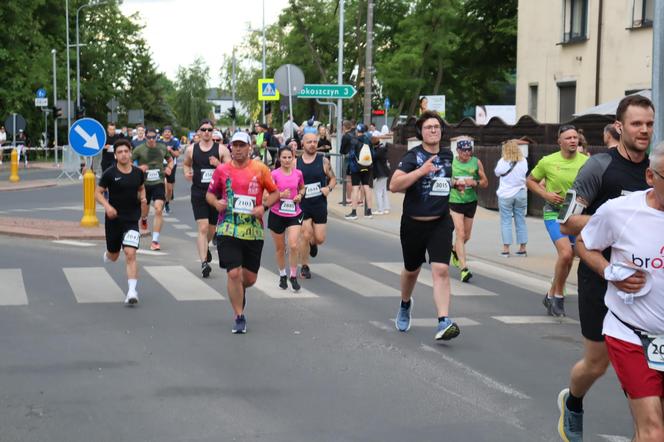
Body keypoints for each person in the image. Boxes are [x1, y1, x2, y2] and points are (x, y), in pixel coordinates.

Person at [556, 94, 654, 442]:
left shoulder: (656, 169)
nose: (644, 130)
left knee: (646, 370)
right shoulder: (599, 166)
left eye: (649, 124)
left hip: (646, 282)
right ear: (619, 126)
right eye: (636, 124)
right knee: (597, 363)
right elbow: (565, 223)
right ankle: (574, 400)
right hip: (600, 275)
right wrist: (614, 218)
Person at [574, 143, 664, 442]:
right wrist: (608, 271)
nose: (644, 129)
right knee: (652, 430)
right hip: (632, 333)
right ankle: (573, 400)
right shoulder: (619, 210)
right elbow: (583, 242)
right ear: (651, 177)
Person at [389, 110, 465, 341]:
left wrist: (456, 183)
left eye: (436, 127)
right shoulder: (413, 157)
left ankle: (443, 321)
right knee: (411, 270)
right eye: (428, 127)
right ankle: (404, 304)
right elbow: (394, 185)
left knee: (441, 269)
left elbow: (442, 180)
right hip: (413, 223)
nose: (433, 130)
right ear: (421, 133)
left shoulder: (448, 156)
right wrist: (421, 171)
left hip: (440, 222)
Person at [206, 131, 280, 334]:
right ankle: (239, 316)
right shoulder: (222, 170)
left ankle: (239, 290)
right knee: (234, 273)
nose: (238, 149)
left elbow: (275, 193)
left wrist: (263, 207)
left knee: (249, 279)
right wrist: (216, 203)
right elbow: (210, 194)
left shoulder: (260, 169)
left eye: (242, 145)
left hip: (253, 230)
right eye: (235, 145)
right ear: (230, 148)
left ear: (249, 147)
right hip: (228, 227)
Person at [526, 125, 588, 317]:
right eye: (568, 138)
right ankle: (559, 296)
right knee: (566, 254)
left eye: (575, 138)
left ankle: (551, 293)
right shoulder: (548, 161)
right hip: (554, 214)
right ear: (559, 142)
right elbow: (530, 181)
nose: (572, 141)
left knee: (568, 260)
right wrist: (547, 195)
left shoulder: (587, 162)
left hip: (577, 216)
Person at [95, 139, 146, 305]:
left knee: (130, 254)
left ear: (130, 152)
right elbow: (98, 193)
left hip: (132, 219)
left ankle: (132, 291)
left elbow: (141, 187)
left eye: (126, 151)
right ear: (116, 156)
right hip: (114, 219)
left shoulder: (138, 173)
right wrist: (108, 207)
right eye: (120, 152)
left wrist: (143, 198)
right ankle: (108, 254)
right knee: (114, 255)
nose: (123, 154)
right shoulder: (110, 173)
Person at [183, 119, 231, 278]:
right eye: (203, 129)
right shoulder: (191, 150)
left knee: (211, 229)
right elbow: (186, 164)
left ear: (213, 131)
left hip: (216, 195)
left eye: (209, 130)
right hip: (198, 192)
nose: (206, 132)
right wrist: (187, 172)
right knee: (202, 228)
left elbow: (231, 172)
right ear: (198, 132)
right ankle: (204, 263)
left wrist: (218, 164)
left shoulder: (222, 149)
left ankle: (206, 248)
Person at [297, 132, 336, 280]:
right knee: (305, 234)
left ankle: (314, 243)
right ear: (303, 144)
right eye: (309, 142)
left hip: (319, 203)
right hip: (303, 204)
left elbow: (332, 179)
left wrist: (329, 188)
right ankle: (305, 267)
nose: (312, 144)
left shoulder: (323, 161)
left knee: (319, 238)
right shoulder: (296, 163)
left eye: (315, 142)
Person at [449, 138, 488, 282]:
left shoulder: (476, 162)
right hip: (455, 201)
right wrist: (455, 183)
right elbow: (445, 180)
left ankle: (454, 250)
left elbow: (485, 182)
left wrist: (475, 182)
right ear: (458, 151)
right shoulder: (452, 162)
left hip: (470, 201)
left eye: (469, 150)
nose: (467, 153)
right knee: (460, 233)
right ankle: (464, 269)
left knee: (467, 236)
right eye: (464, 150)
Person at [269, 147, 305, 292]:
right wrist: (280, 195)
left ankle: (293, 276)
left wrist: (300, 196)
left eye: (289, 157)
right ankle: (283, 274)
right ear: (279, 158)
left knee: (294, 245)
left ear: (293, 157)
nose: (286, 160)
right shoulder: (274, 174)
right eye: (284, 157)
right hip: (277, 214)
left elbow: (302, 188)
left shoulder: (298, 173)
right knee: (280, 248)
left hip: (294, 213)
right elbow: (267, 195)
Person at [132, 127, 173, 251]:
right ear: (145, 137)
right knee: (144, 209)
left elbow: (170, 160)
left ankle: (155, 240)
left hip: (158, 182)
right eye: (148, 137)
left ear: (156, 137)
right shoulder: (139, 149)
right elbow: (128, 163)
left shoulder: (162, 148)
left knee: (158, 209)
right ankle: (144, 219)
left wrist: (169, 168)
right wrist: (139, 168)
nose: (151, 139)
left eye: (153, 137)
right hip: (144, 184)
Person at [494, 139, 528, 257]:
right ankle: (522, 248)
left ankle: (506, 249)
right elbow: (525, 173)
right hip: (521, 192)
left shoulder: (502, 161)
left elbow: (497, 173)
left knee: (506, 221)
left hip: (506, 194)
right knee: (521, 220)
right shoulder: (523, 161)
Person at [345, 123, 374, 220]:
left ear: (357, 131)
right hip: (367, 166)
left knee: (355, 188)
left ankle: (354, 212)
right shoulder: (368, 140)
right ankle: (369, 212)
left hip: (356, 167)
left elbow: (352, 155)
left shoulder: (354, 140)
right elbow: (372, 153)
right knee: (366, 186)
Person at [161, 126, 180, 214]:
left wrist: (171, 150)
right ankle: (161, 202)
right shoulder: (158, 142)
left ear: (171, 133)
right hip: (160, 165)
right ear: (163, 133)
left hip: (171, 165)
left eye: (169, 132)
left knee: (169, 188)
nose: (167, 133)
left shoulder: (175, 142)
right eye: (165, 132)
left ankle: (167, 203)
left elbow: (177, 154)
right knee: (161, 184)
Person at [372, 136, 391, 215]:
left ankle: (380, 209)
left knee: (378, 191)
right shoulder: (382, 148)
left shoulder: (378, 151)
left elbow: (373, 158)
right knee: (383, 191)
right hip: (385, 172)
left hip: (380, 173)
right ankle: (386, 208)